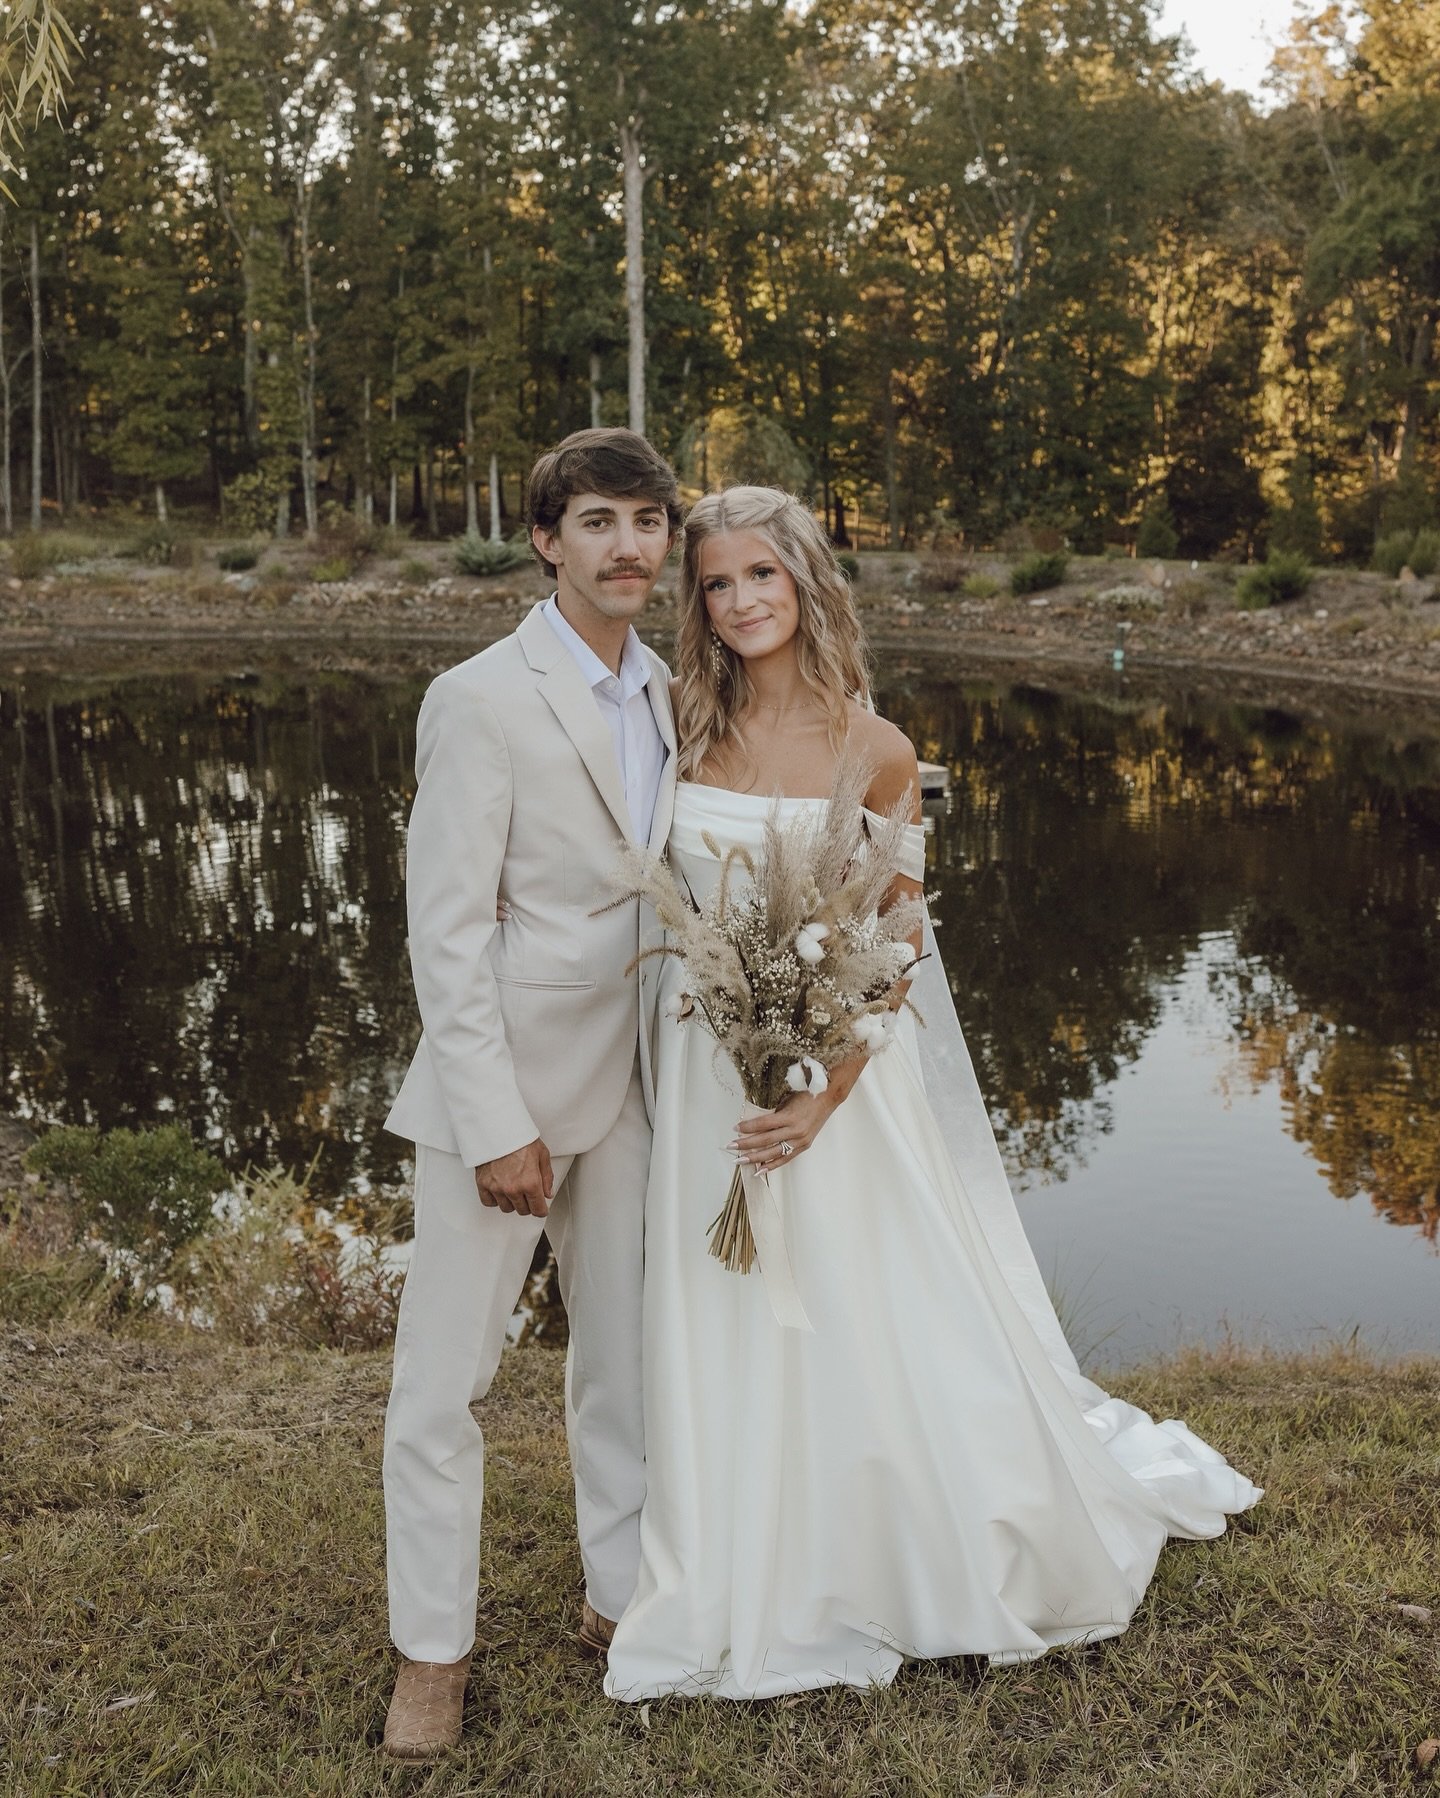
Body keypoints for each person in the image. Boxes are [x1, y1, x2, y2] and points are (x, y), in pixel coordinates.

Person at [603, 485, 1263, 1701]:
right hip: (708, 1078)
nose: (742, 600)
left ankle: (885, 1552)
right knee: (721, 1309)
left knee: (864, 1312)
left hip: (834, 1092)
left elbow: (898, 946)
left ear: (805, 580)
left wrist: (819, 1094)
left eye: (763, 575)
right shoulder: (677, 729)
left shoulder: (879, 748)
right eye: (716, 583)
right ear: (696, 604)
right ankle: (736, 1553)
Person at [379, 427, 681, 1757]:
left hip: (634, 1085)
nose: (628, 545)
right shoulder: (482, 695)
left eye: (647, 522)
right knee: (443, 1390)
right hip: (496, 1096)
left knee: (620, 1363)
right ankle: (430, 1655)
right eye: (599, 521)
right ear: (547, 541)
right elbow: (444, 931)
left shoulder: (673, 690)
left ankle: (619, 1602)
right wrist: (497, 1120)